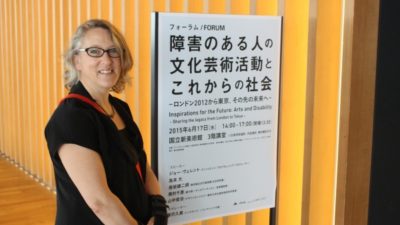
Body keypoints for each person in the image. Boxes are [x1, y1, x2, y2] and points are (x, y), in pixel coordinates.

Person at [45, 19, 168, 225]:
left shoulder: (119, 108)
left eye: (113, 51)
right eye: (94, 51)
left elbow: (142, 165)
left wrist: (158, 210)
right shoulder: (71, 118)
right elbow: (99, 202)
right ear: (77, 61)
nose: (107, 60)